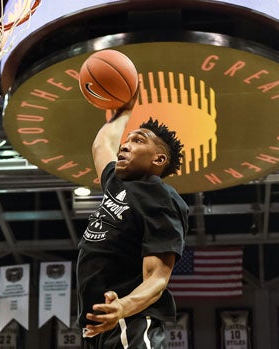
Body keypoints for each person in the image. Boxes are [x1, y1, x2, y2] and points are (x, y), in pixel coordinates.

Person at [76, 94, 189, 349]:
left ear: (158, 160)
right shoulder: (117, 184)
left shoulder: (160, 197)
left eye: (137, 141)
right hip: (97, 325)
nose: (124, 145)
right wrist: (124, 111)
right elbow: (101, 145)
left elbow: (157, 278)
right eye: (126, 140)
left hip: (130, 321)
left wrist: (123, 307)